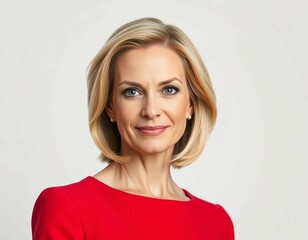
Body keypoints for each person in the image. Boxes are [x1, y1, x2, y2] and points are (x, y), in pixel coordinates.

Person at [31, 17, 234, 239]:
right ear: (110, 107)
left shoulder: (216, 222)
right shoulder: (67, 207)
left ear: (191, 104)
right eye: (132, 92)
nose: (151, 110)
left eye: (168, 90)